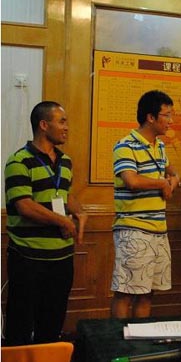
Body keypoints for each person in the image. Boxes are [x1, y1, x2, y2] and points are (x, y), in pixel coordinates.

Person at [4, 101, 87, 345]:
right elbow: (24, 205)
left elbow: (63, 194)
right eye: (62, 121)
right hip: (28, 258)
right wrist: (62, 221)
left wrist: (80, 212)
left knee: (52, 324)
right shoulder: (18, 161)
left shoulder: (65, 161)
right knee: (20, 325)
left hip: (62, 258)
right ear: (43, 125)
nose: (67, 127)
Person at [110, 90, 181, 318]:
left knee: (148, 293)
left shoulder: (159, 146)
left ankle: (140, 337)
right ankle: (116, 339)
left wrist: (173, 180)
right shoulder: (125, 145)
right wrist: (162, 184)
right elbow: (131, 181)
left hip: (159, 230)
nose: (171, 121)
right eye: (166, 115)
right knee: (125, 291)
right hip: (134, 230)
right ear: (151, 117)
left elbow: (173, 172)